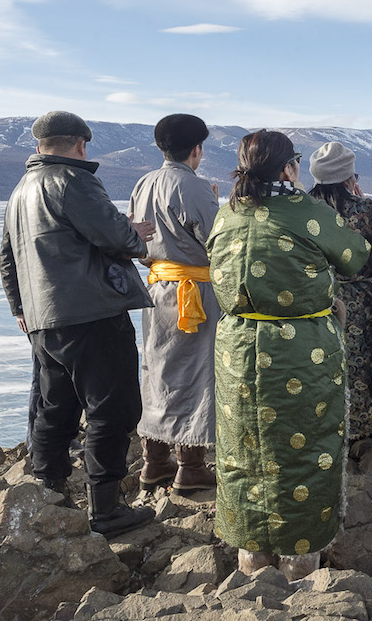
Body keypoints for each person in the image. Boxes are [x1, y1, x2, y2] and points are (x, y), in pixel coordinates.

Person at [207, 130, 371, 580]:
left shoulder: (227, 215)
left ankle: (251, 565)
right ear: (287, 168)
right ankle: (300, 570)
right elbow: (358, 258)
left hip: (236, 349)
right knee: (306, 446)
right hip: (302, 350)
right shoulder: (307, 212)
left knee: (245, 448)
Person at [0, 110, 155, 538]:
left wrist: (21, 310)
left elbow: (7, 259)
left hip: (44, 320)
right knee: (113, 407)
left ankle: (49, 494)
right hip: (92, 314)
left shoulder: (20, 190)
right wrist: (135, 233)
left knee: (57, 406)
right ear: (81, 144)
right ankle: (106, 510)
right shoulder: (73, 180)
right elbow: (116, 238)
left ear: (39, 145)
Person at [129, 114, 221, 492]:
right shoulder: (193, 187)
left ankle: (154, 461)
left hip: (155, 289)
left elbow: (135, 242)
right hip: (194, 293)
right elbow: (220, 243)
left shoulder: (143, 183)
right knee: (194, 374)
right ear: (197, 149)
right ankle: (191, 465)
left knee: (155, 370)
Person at [308, 142, 372, 447]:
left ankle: (326, 425)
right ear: (348, 177)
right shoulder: (366, 210)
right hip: (361, 299)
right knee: (364, 360)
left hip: (315, 300)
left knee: (322, 363)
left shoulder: (303, 210)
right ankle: (371, 425)